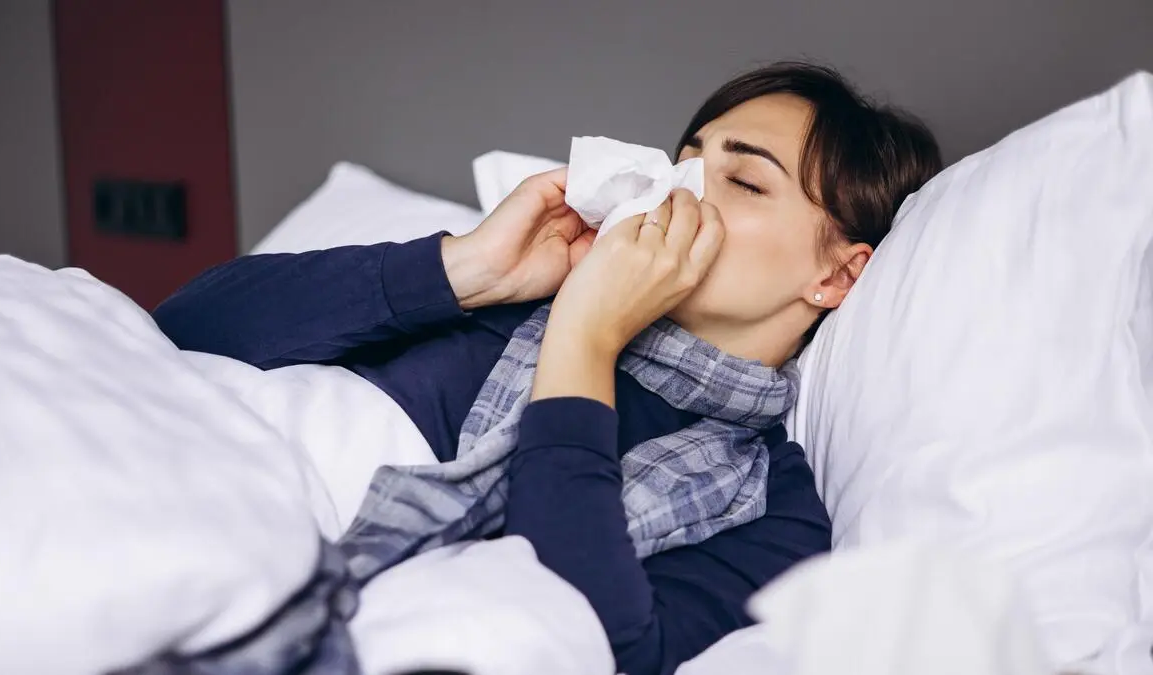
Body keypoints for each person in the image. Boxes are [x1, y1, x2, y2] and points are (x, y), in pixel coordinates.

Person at [153, 62, 942, 675]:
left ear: (836, 275)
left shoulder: (769, 508)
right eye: (686, 159)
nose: (683, 190)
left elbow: (599, 638)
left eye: (742, 180)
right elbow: (183, 326)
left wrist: (585, 340)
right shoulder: (503, 304)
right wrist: (464, 270)